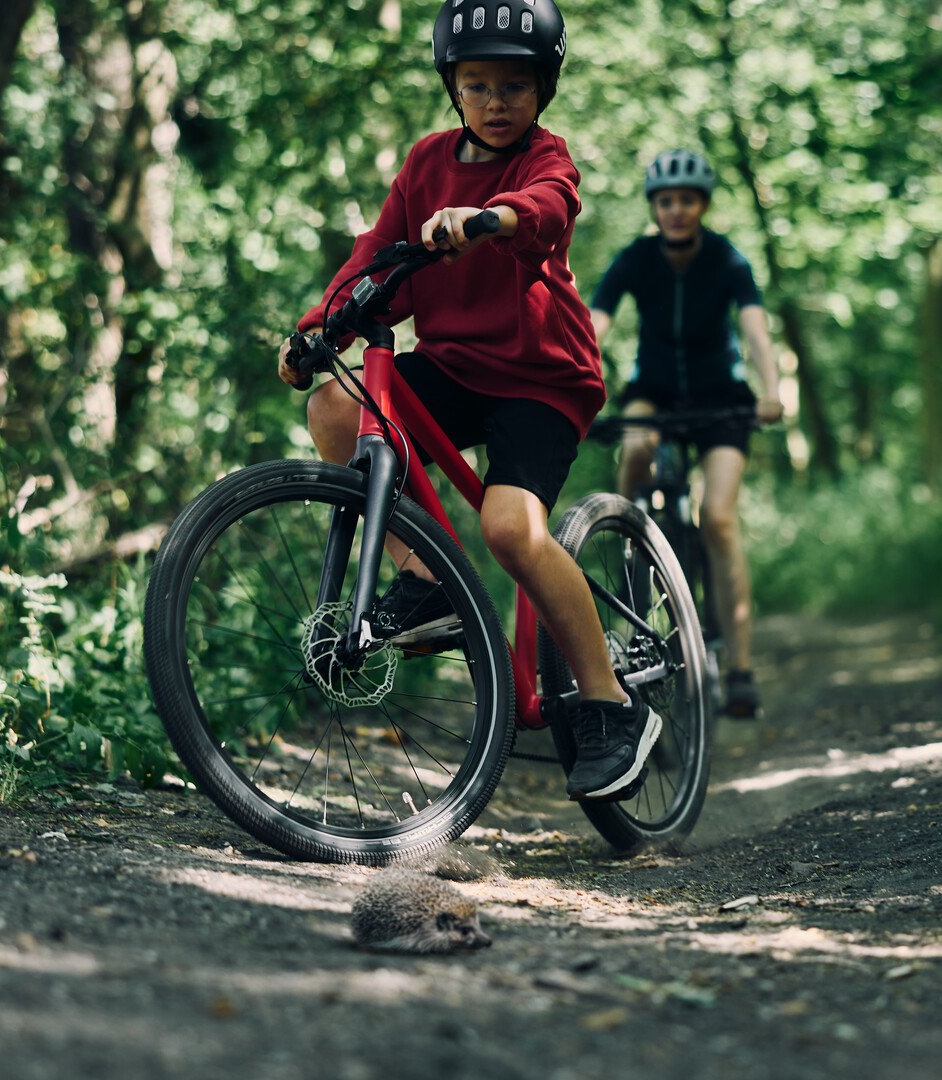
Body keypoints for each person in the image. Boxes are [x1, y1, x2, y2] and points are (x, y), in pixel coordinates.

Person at [277, 1, 660, 802]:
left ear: (542, 92)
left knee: (510, 527)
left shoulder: (544, 158)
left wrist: (492, 218)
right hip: (453, 364)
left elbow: (549, 209)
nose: (495, 101)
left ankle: (608, 704)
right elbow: (376, 256)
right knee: (335, 411)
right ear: (452, 88)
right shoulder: (424, 165)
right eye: (477, 84)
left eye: (515, 86)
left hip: (541, 378)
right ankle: (424, 577)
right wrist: (319, 330)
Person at [587, 149, 784, 718]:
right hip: (657, 390)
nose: (676, 210)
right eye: (666, 201)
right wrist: (573, 382)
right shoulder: (636, 259)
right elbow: (593, 328)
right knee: (636, 444)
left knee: (718, 518)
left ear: (702, 205)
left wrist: (771, 392)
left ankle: (741, 667)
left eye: (687, 200)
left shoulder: (727, 260)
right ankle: (631, 542)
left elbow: (755, 331)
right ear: (655, 206)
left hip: (722, 399)